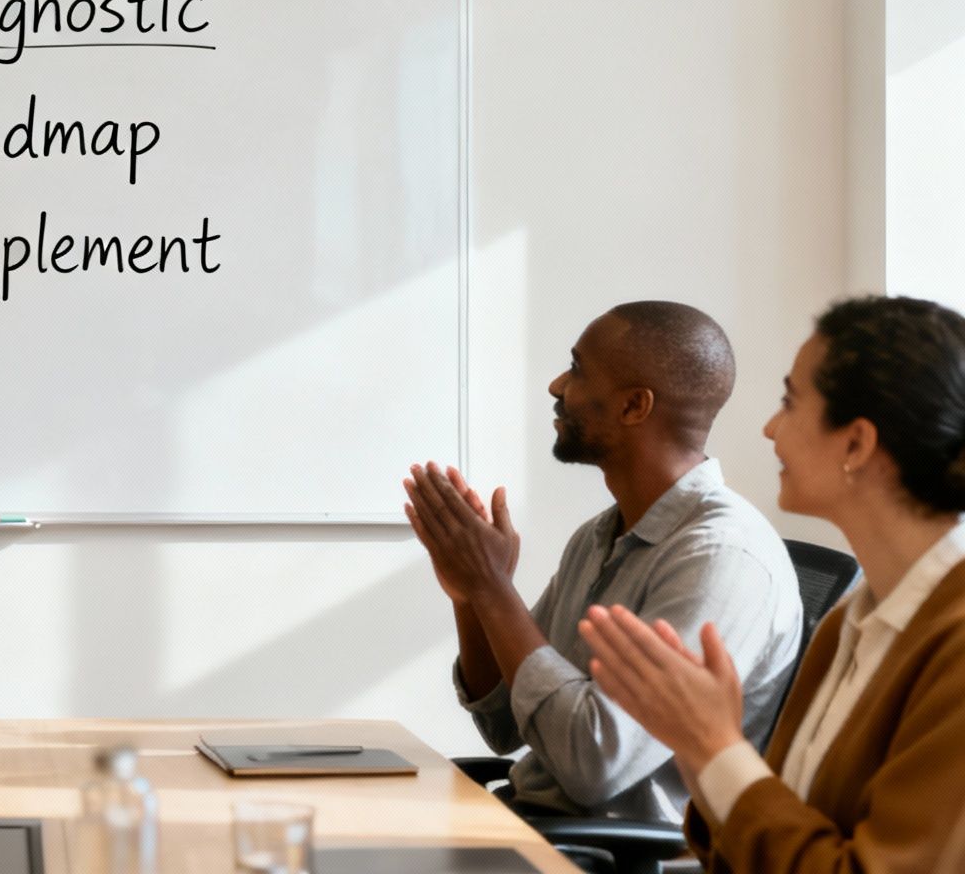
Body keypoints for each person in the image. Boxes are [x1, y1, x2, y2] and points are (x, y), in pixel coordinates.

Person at [583, 295, 965, 872]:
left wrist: (715, 747)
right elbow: (774, 832)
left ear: (856, 444)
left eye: (790, 401)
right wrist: (699, 746)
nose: (769, 426)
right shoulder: (851, 621)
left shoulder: (956, 648)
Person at [404, 300, 804, 822]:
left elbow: (594, 766)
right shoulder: (600, 536)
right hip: (531, 826)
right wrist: (471, 593)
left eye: (576, 368)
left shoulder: (720, 558)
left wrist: (492, 588)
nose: (555, 386)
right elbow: (504, 720)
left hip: (606, 855)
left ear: (635, 407)